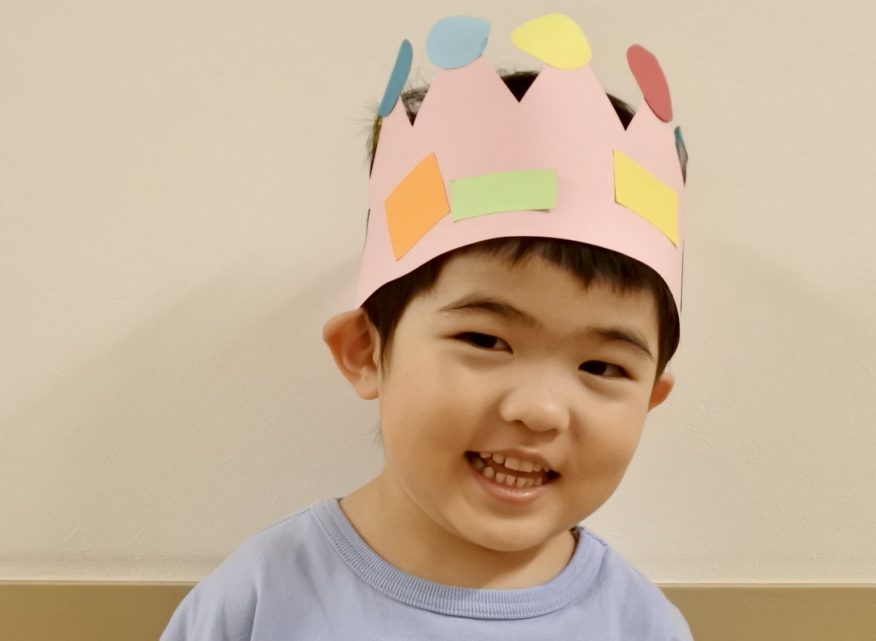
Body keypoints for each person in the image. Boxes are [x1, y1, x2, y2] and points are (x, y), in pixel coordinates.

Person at [162, 13, 693, 640]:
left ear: (651, 398)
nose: (540, 410)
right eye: (486, 340)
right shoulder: (258, 601)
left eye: (602, 367)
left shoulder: (642, 627)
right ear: (365, 351)